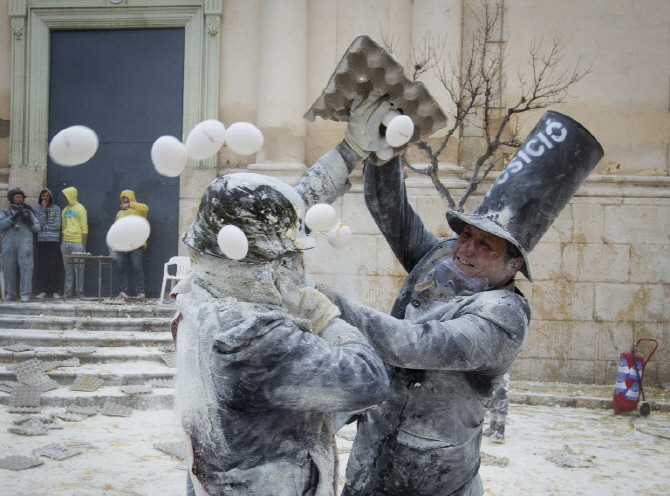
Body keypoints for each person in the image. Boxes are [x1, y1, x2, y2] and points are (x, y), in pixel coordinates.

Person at [316, 110, 604, 496]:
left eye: (485, 245)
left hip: (433, 482)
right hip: (371, 472)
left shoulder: (502, 317)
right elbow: (392, 215)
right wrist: (385, 154)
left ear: (513, 263)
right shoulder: (441, 259)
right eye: (466, 235)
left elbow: (410, 345)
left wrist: (326, 300)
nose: (465, 249)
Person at [175, 173, 390, 496]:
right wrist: (324, 316)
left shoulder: (203, 288)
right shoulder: (252, 337)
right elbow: (369, 380)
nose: (295, 269)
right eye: (287, 259)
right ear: (258, 263)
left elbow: (260, 208)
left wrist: (349, 152)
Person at [0, 187, 40, 302]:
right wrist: (12, 218)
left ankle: (25, 294)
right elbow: (1, 226)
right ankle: (10, 293)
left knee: (26, 267)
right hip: (9, 242)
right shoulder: (5, 212)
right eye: (17, 196)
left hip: (25, 242)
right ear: (12, 198)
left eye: (21, 197)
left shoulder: (28, 212)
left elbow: (37, 228)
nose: (20, 199)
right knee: (8, 268)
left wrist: (29, 221)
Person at [113, 190, 149, 301]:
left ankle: (141, 293)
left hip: (136, 244)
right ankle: (123, 292)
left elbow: (145, 208)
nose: (124, 202)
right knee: (121, 268)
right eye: (123, 200)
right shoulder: (119, 213)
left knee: (137, 268)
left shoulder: (139, 211)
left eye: (126, 199)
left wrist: (130, 205)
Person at [34, 188, 65, 299]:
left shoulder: (56, 209)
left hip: (53, 241)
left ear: (50, 197)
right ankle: (43, 290)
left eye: (47, 196)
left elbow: (57, 226)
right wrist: (43, 210)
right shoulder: (38, 210)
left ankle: (55, 290)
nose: (45, 198)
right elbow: (37, 225)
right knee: (43, 266)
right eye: (43, 196)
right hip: (42, 241)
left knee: (53, 265)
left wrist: (45, 227)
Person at [60, 186, 88, 298]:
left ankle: (80, 292)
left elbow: (84, 227)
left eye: (65, 196)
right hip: (66, 242)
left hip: (77, 242)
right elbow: (63, 226)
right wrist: (62, 243)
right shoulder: (65, 210)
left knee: (79, 269)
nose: (63, 198)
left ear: (70, 196)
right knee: (68, 269)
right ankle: (68, 292)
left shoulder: (80, 208)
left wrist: (83, 245)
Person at [483, 371, 510, 443]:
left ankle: (500, 432)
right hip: (492, 372)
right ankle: (492, 427)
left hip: (501, 370)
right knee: (492, 403)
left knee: (500, 394)